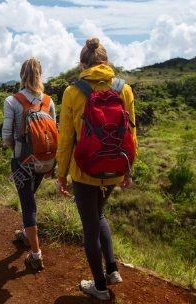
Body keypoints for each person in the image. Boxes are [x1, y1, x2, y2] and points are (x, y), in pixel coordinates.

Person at [56, 37, 137, 300]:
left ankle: (100, 287)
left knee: (90, 226)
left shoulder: (72, 92)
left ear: (83, 64)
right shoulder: (124, 89)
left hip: (84, 171)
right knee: (99, 215)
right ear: (106, 62)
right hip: (114, 168)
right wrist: (128, 170)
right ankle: (112, 269)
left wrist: (61, 175)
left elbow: (66, 138)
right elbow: (132, 136)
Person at [2, 57, 56, 271]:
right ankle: (26, 234)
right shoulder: (49, 101)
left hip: (22, 161)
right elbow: (54, 133)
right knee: (30, 196)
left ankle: (36, 254)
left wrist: (17, 151)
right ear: (40, 75)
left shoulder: (12, 101)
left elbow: (6, 136)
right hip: (44, 161)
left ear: (21, 75)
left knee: (27, 204)